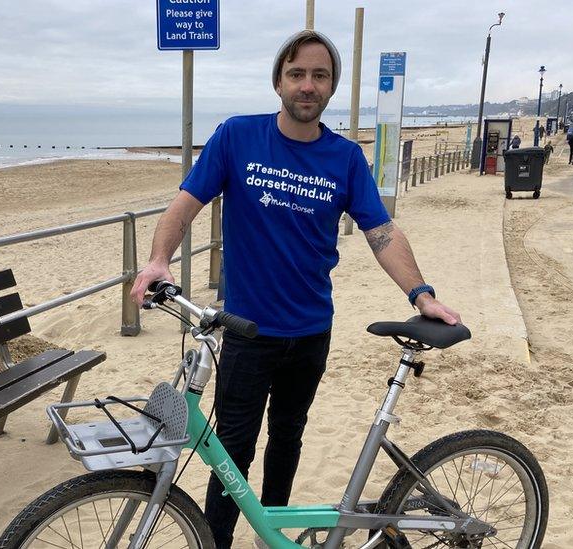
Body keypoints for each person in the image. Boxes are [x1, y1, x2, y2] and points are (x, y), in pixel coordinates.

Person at [129, 30, 461, 548]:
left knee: (287, 438)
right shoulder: (237, 137)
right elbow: (185, 205)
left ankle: (272, 534)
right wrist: (157, 260)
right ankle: (217, 540)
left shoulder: (346, 158)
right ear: (278, 82)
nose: (308, 85)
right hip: (245, 331)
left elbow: (382, 233)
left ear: (330, 88)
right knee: (231, 449)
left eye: (320, 76)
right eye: (297, 74)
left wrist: (421, 293)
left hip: (309, 332)